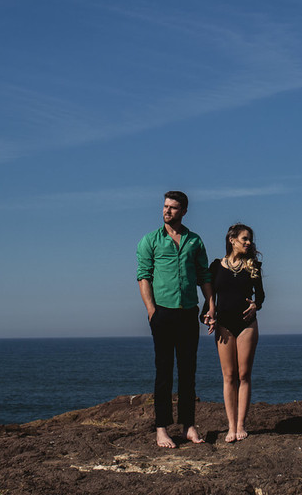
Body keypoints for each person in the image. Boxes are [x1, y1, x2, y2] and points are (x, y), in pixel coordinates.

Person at [136, 190, 216, 447]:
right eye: (165, 206)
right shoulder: (150, 240)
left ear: (183, 211)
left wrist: (211, 305)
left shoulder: (194, 241)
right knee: (164, 372)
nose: (166, 211)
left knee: (188, 371)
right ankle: (161, 428)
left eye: (172, 207)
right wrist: (151, 310)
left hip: (188, 312)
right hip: (162, 312)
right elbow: (143, 276)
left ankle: (188, 426)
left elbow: (204, 275)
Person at [209, 223, 264, 442]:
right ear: (232, 240)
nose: (248, 242)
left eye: (250, 239)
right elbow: (210, 298)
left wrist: (256, 305)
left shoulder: (253, 266)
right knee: (229, 376)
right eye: (244, 239)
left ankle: (241, 424)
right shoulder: (216, 266)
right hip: (224, 324)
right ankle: (231, 426)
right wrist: (207, 315)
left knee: (244, 375)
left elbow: (261, 295)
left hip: (246, 324)